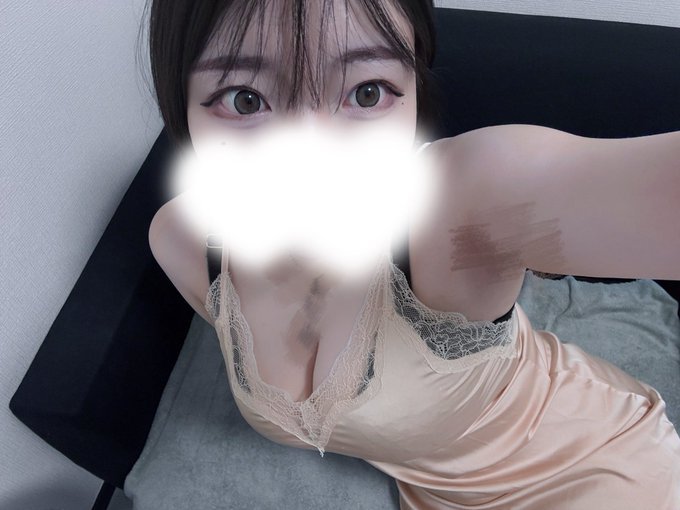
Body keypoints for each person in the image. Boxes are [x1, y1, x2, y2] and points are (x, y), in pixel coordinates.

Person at [142, 0, 680, 508]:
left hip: (599, 470)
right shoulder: (182, 243)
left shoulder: (457, 212)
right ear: (182, 110)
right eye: (245, 99)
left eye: (367, 93)